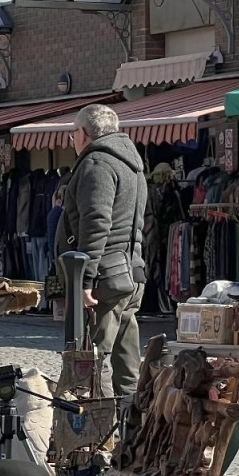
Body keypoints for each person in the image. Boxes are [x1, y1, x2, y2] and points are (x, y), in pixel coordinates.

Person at [62, 103, 149, 399]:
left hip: (106, 277)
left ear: (84, 134)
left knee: (96, 360)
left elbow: (97, 224)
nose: (72, 140)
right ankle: (131, 430)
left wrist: (85, 281)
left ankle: (103, 434)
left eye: (73, 133)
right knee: (127, 363)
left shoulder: (97, 164)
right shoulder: (131, 163)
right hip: (131, 271)